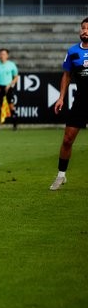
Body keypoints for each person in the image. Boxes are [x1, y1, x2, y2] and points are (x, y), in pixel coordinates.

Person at [49, 17, 88, 191]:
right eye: (82, 28)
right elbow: (66, 76)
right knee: (67, 139)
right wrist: (61, 97)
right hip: (80, 101)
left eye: (87, 28)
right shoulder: (73, 51)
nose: (84, 31)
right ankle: (61, 176)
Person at [0, 48, 20, 131]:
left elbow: (16, 77)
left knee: (11, 106)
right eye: (1, 54)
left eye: (4, 54)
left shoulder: (11, 65)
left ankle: (15, 126)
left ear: (7, 55)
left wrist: (10, 85)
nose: (2, 55)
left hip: (8, 87)